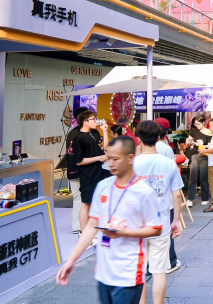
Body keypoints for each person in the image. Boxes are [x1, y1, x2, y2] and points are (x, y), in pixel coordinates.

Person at [56, 136, 163, 304]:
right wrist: (71, 260)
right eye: (108, 158)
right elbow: (91, 226)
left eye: (115, 159)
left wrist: (123, 233)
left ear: (130, 158)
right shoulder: (103, 186)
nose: (110, 163)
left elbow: (156, 228)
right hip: (103, 273)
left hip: (128, 273)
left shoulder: (144, 192)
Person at [133, 121, 183, 304]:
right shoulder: (169, 163)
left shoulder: (132, 163)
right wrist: (176, 220)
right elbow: (177, 194)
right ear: (158, 138)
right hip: (160, 224)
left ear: (138, 139)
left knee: (139, 272)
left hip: (136, 225)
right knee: (158, 271)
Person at [72, 110, 110, 235]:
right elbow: (79, 161)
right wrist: (98, 158)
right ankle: (83, 232)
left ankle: (94, 230)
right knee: (86, 203)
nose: (96, 121)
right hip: (88, 174)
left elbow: (106, 148)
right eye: (93, 119)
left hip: (99, 172)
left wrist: (105, 131)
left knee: (96, 202)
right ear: (85, 122)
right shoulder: (78, 138)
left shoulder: (94, 133)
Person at [65, 106, 89, 234]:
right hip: (82, 171)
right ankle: (80, 225)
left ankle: (76, 225)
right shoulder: (83, 134)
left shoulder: (71, 133)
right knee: (82, 199)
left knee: (77, 198)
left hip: (72, 170)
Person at [186, 115, 210, 206]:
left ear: (203, 123)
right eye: (195, 124)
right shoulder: (193, 131)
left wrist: (201, 145)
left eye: (199, 124)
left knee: (204, 177)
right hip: (194, 155)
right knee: (193, 176)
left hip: (204, 155)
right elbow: (189, 141)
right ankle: (190, 198)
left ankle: (205, 198)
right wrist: (189, 142)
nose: (197, 126)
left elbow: (210, 145)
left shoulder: (208, 132)